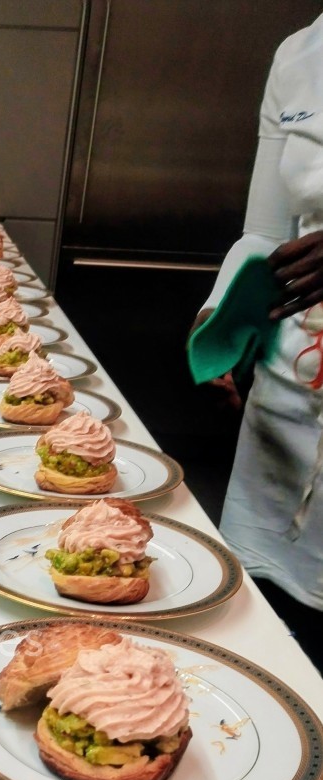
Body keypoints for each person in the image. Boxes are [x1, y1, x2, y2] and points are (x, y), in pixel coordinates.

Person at [193, 15, 323, 668]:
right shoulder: (300, 53)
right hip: (289, 389)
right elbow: (267, 232)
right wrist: (224, 317)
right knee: (271, 632)